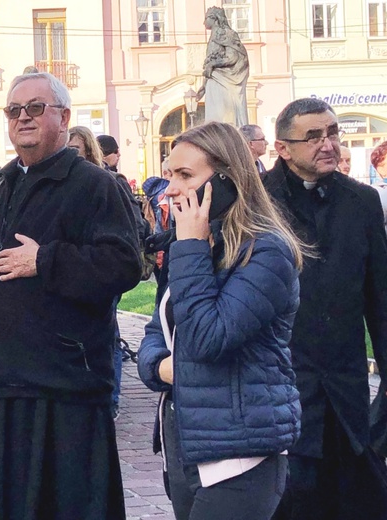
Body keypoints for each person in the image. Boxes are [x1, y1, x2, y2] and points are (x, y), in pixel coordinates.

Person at [0, 72, 142, 519]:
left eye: (35, 108)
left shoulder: (95, 185)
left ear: (63, 116)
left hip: (65, 388)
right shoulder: (3, 182)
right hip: (6, 383)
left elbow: (124, 265)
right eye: (14, 111)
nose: (23, 118)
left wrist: (46, 261)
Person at [137, 122, 303, 520]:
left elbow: (208, 337)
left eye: (185, 176)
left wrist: (190, 247)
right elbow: (156, 331)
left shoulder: (266, 254)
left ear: (227, 182)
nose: (171, 188)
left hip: (239, 452)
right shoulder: (197, 244)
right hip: (185, 442)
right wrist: (160, 367)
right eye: (169, 173)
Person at [263, 98, 387, 520]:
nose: (328, 145)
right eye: (313, 136)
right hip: (283, 376)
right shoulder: (256, 200)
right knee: (294, 495)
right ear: (282, 147)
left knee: (359, 493)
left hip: (344, 378)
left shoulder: (360, 200)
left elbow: (380, 291)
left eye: (332, 133)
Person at [197, 7, 249, 126]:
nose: (204, 22)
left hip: (225, 82)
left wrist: (213, 64)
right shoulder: (213, 36)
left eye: (206, 18)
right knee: (214, 119)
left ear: (214, 18)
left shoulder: (227, 34)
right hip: (214, 80)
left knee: (224, 118)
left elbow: (233, 57)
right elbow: (210, 61)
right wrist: (204, 86)